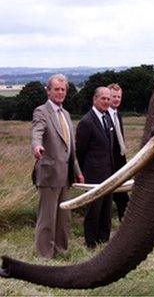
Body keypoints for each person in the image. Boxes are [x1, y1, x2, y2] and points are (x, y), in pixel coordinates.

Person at [31, 74, 84, 259]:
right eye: (56, 89)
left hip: (66, 176)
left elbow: (71, 148)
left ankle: (61, 251)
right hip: (49, 174)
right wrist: (36, 146)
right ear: (48, 91)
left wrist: (77, 172)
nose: (60, 93)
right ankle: (44, 256)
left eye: (63, 89)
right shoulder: (41, 111)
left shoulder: (66, 114)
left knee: (63, 219)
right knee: (47, 219)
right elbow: (37, 131)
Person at [76, 87, 114, 248]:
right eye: (103, 98)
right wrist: (85, 172)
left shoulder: (108, 118)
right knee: (93, 210)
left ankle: (104, 240)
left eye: (108, 99)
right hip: (93, 174)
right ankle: (90, 243)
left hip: (109, 173)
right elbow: (80, 151)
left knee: (107, 209)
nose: (106, 101)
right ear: (95, 99)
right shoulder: (86, 121)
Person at [107, 83, 130, 221]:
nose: (116, 99)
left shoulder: (118, 115)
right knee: (115, 198)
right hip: (109, 164)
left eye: (119, 97)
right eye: (113, 96)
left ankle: (125, 222)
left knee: (123, 197)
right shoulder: (104, 116)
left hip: (120, 162)